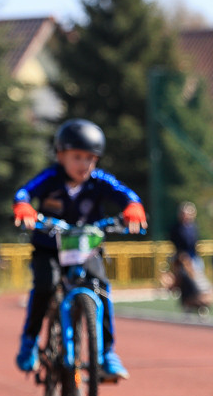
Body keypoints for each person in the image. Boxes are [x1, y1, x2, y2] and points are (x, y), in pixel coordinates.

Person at [12, 119, 147, 379]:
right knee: (45, 286)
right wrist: (24, 207)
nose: (84, 164)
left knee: (101, 288)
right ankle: (29, 342)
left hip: (86, 248)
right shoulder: (50, 178)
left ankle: (108, 352)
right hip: (49, 248)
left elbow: (127, 194)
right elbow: (24, 193)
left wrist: (133, 206)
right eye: (77, 157)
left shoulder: (98, 181)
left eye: (90, 158)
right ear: (60, 155)